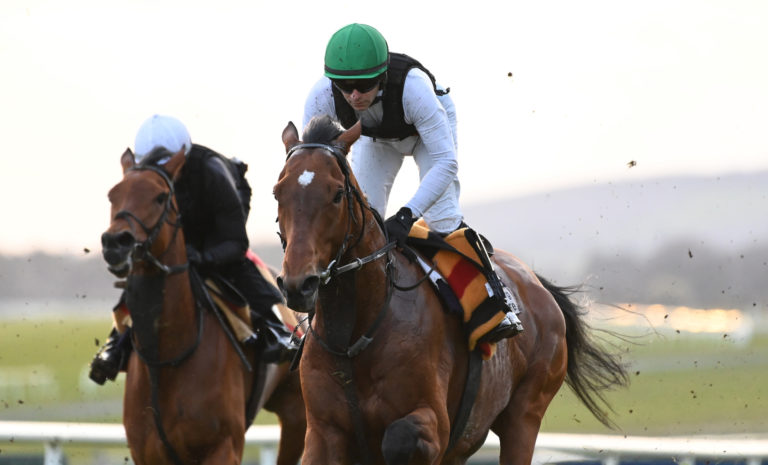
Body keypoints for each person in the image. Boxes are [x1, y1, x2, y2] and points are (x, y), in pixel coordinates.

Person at [302, 23, 523, 343]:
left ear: (382, 74)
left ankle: (496, 301)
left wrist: (407, 215)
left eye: (363, 85)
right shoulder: (320, 97)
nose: (353, 95)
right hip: (374, 138)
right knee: (363, 221)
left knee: (442, 218)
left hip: (424, 135)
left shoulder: (414, 88)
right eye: (344, 86)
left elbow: (447, 163)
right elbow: (313, 164)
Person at [89, 114, 295, 385]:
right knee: (145, 275)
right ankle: (114, 343)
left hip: (220, 220)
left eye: (168, 169)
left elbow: (236, 243)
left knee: (234, 267)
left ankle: (275, 329)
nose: (164, 175)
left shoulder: (211, 171)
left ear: (181, 158)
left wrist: (204, 256)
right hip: (176, 224)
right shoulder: (144, 179)